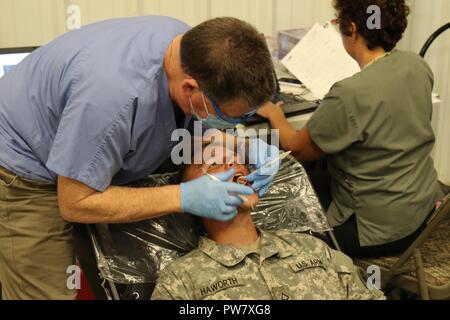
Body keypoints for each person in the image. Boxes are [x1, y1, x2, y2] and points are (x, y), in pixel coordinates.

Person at [0, 16, 280, 300]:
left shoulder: (193, 47)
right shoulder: (112, 99)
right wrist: (182, 197)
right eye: (226, 116)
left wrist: (240, 144)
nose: (227, 163)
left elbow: (180, 125)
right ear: (189, 88)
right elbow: (75, 202)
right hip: (22, 163)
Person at [257, 0, 441, 258]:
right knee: (319, 172)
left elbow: (297, 150)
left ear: (352, 29)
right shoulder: (416, 65)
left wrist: (275, 115)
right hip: (422, 211)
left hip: (376, 231)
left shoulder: (349, 94)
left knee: (273, 211)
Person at [151, 158, 385, 300]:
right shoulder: (182, 277)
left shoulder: (312, 248)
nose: (232, 165)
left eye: (236, 160)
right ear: (193, 198)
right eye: (213, 164)